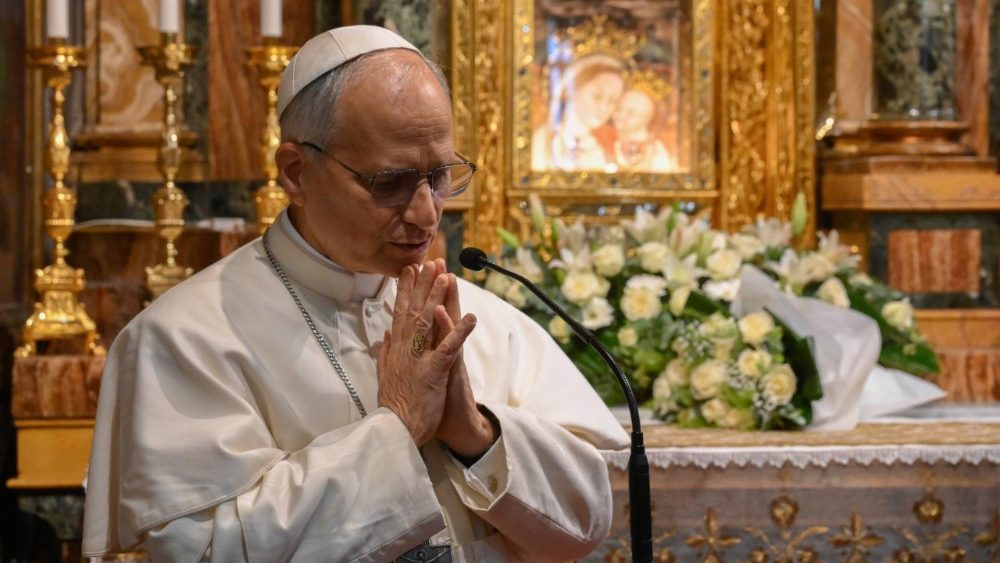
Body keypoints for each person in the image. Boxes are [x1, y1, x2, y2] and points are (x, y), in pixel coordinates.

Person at [83, 26, 628, 561]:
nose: (426, 213)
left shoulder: (488, 321)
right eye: (389, 182)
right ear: (296, 172)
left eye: (440, 175)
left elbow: (586, 522)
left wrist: (476, 433)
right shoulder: (186, 338)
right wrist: (398, 429)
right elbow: (206, 551)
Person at [531, 54, 625, 172]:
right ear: (572, 90)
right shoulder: (544, 140)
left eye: (613, 100)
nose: (604, 107)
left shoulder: (603, 149)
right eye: (597, 96)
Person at [611, 88, 676, 173]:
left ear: (645, 119)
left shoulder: (656, 152)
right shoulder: (609, 140)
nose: (620, 115)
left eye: (630, 113)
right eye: (618, 109)